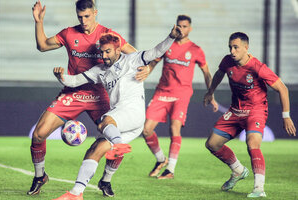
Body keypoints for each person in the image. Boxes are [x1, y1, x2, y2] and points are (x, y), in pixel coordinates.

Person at [28, 0, 152, 196]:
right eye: (80, 17)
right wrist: (38, 22)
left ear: (95, 13)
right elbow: (42, 46)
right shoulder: (69, 34)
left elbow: (135, 55)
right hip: (73, 93)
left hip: (100, 96)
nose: (84, 21)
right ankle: (40, 176)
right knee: (38, 134)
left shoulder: (108, 35)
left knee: (114, 138)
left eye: (87, 16)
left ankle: (106, 180)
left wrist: (148, 68)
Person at [51, 25, 182, 200]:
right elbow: (75, 81)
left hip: (132, 113)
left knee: (105, 120)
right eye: (102, 52)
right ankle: (78, 192)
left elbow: (156, 51)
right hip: (122, 120)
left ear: (118, 49)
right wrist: (61, 77)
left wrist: (171, 36)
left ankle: (118, 145)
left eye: (107, 52)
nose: (103, 56)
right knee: (94, 149)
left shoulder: (133, 60)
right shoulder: (99, 71)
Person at [204, 32, 296, 198]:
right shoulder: (227, 61)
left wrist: (286, 116)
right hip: (235, 110)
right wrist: (210, 92)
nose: (232, 51)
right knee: (212, 144)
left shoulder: (257, 67)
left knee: (252, 144)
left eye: (236, 47)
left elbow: (283, 88)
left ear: (246, 48)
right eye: (230, 47)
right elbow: (219, 74)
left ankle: (259, 188)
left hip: (256, 110)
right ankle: (238, 170)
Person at [142, 15, 218, 179]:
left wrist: (210, 93)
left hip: (181, 94)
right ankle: (161, 159)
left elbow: (206, 73)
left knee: (174, 128)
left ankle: (170, 169)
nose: (181, 29)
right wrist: (144, 73)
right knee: (146, 130)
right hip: (162, 92)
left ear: (190, 29)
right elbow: (153, 63)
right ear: (175, 27)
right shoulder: (167, 45)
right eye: (179, 26)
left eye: (184, 27)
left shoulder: (196, 50)